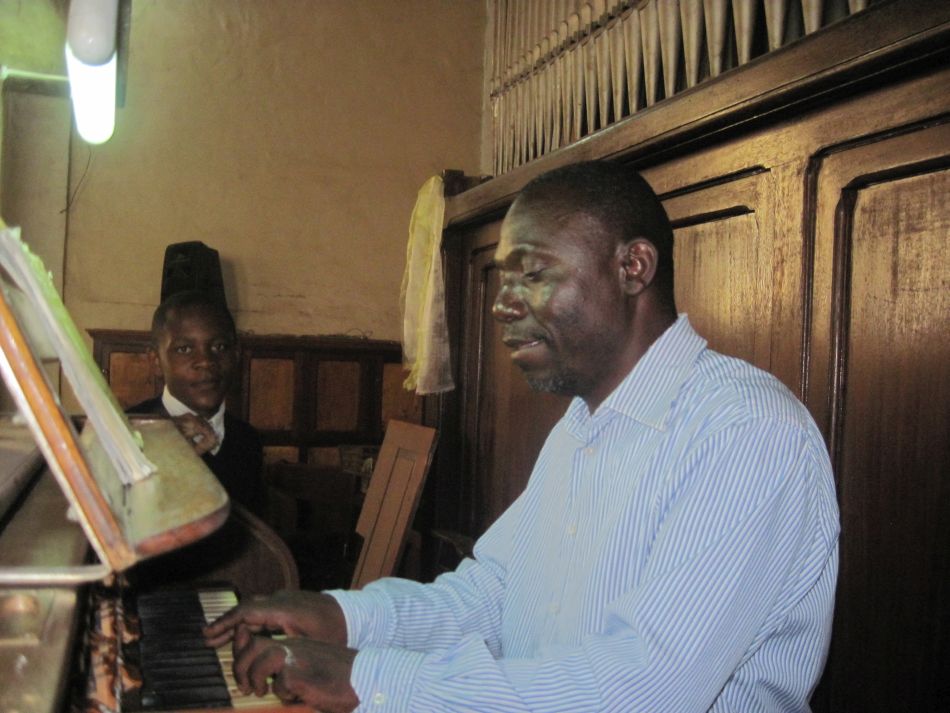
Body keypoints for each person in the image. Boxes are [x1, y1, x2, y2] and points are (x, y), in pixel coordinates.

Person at [204, 161, 840, 712]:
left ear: (632, 267)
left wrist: (368, 676)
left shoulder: (744, 433)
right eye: (504, 279)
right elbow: (495, 594)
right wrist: (344, 618)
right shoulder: (584, 423)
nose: (503, 304)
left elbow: (641, 691)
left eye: (531, 273)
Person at [129, 289, 266, 517]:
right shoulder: (130, 432)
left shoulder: (247, 440)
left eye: (219, 347)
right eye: (185, 349)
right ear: (155, 361)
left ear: (237, 355)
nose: (205, 361)